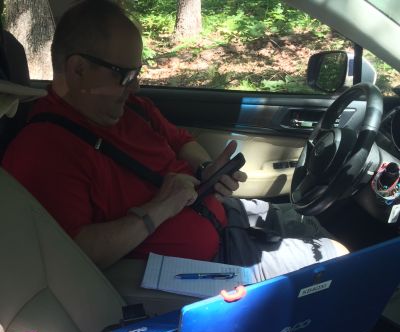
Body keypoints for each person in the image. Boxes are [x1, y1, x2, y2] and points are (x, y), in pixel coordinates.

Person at [2, 0, 347, 278]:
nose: (135, 86)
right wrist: (160, 208)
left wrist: (208, 168)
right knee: (339, 259)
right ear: (78, 70)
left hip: (230, 216)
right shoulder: (43, 151)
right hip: (210, 271)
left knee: (321, 226)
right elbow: (75, 256)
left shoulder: (133, 108)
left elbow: (182, 141)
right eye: (126, 75)